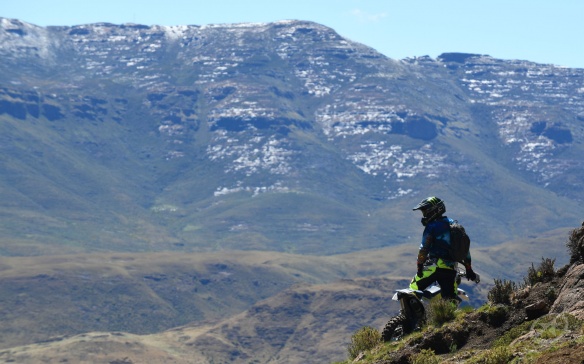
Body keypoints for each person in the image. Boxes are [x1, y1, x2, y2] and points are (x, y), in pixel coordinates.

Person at [409, 196, 478, 300]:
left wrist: (419, 266)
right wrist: (469, 269)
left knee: (412, 290)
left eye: (425, 211)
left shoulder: (432, 226)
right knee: (450, 299)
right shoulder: (455, 226)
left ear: (434, 210)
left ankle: (411, 315)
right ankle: (447, 315)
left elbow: (424, 248)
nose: (424, 215)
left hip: (433, 267)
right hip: (451, 270)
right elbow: (465, 250)